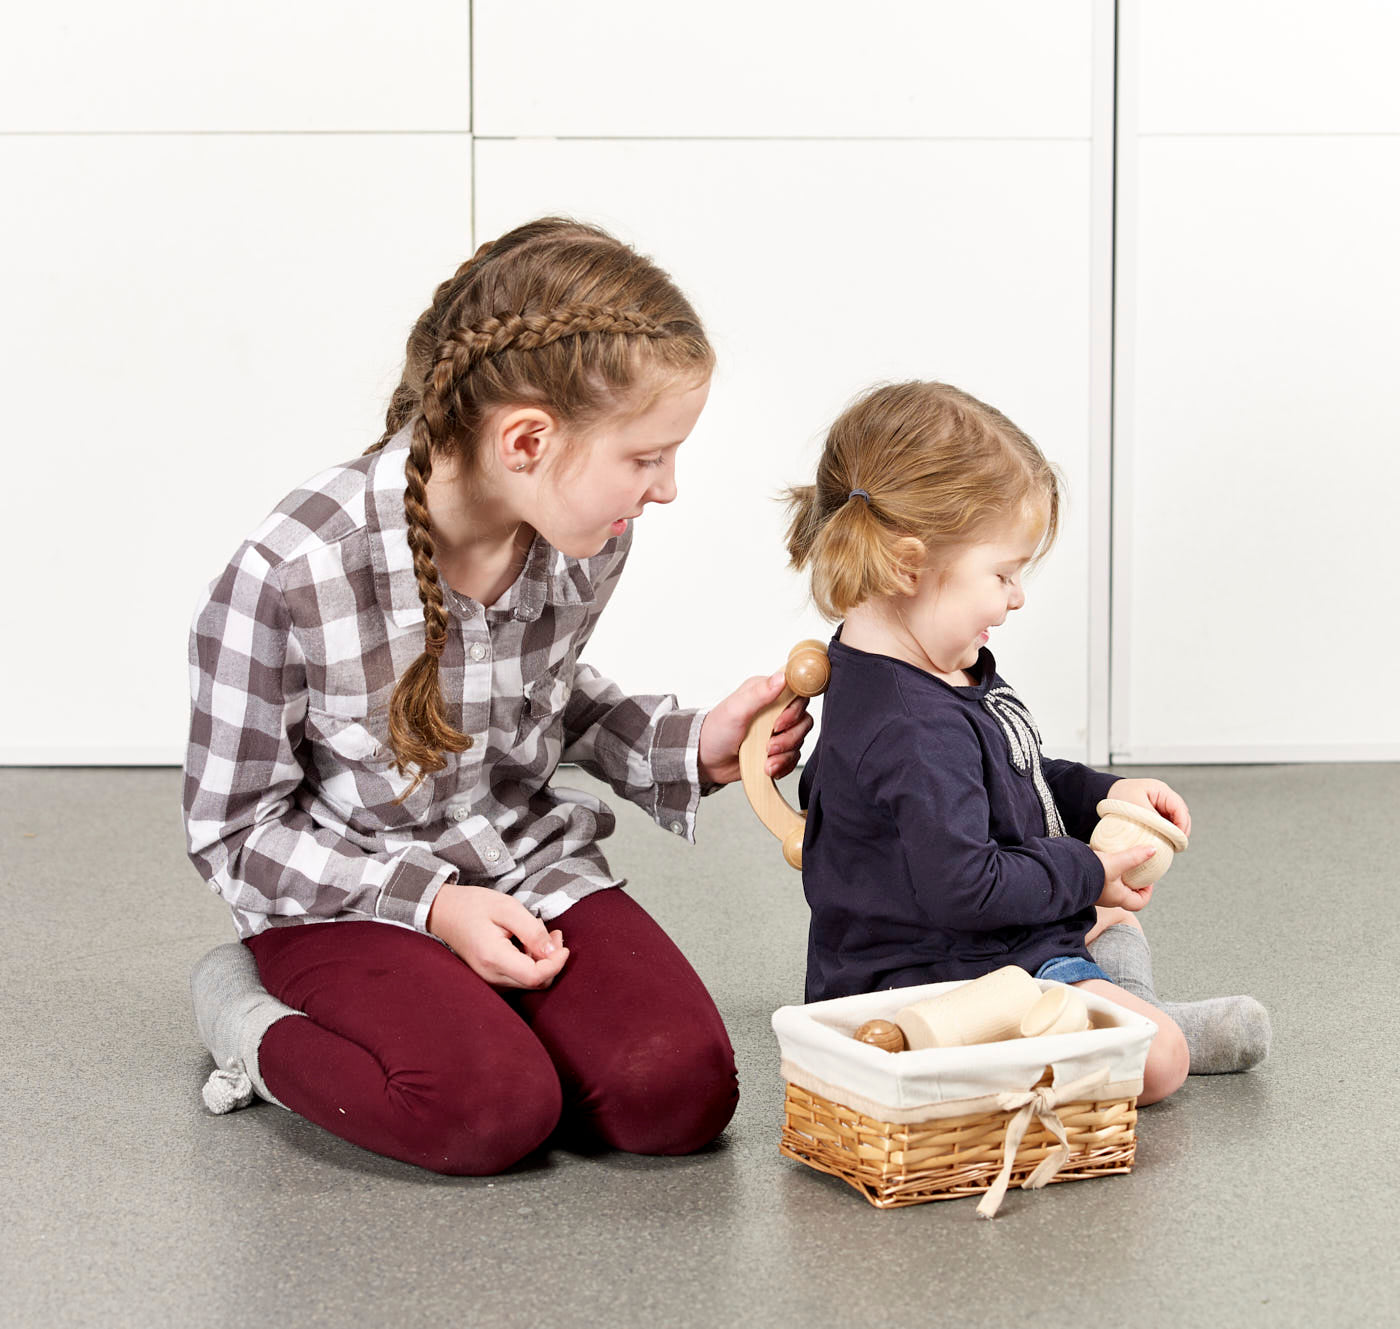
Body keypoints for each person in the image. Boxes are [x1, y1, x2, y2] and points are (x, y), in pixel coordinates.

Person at [183, 217, 810, 1174]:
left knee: (676, 1094)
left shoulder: (579, 532)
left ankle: (480, 1016)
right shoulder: (292, 571)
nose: (667, 487)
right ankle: (248, 1018)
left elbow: (547, 703)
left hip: (518, 862)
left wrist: (688, 746)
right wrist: (433, 909)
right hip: (346, 898)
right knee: (486, 1114)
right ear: (526, 439)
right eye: (646, 457)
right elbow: (234, 835)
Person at [784, 381, 1269, 1104]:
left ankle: (1115, 1001)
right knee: (1160, 1060)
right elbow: (967, 887)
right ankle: (1151, 1024)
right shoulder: (908, 727)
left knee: (1111, 914)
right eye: (1003, 573)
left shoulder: (933, 666)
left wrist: (1105, 792)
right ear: (911, 566)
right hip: (944, 980)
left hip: (978, 940)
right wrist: (1086, 866)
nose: (1016, 597)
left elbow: (1016, 769)